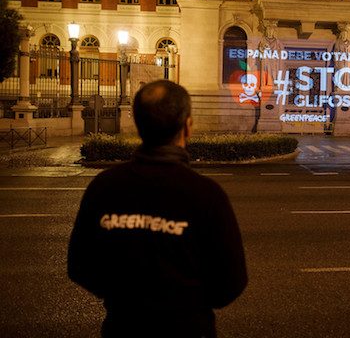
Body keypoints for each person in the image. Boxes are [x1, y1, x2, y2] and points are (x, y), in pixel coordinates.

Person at [68, 80, 247, 338]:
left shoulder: (104, 187)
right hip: (190, 328)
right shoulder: (207, 195)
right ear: (188, 126)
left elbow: (80, 266)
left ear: (139, 125)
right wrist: (189, 303)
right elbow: (231, 282)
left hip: (123, 327)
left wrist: (121, 296)